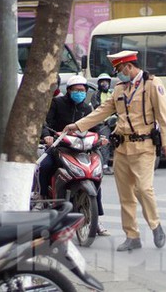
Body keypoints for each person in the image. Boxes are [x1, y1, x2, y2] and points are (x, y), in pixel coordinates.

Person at [64, 50, 166, 252]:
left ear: (129, 66)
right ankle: (132, 236)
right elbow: (102, 111)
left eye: (119, 70)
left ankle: (155, 225)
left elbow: (164, 115)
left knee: (143, 188)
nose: (118, 74)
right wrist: (78, 125)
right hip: (122, 147)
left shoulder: (152, 84)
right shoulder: (120, 88)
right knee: (125, 195)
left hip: (144, 146)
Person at [40, 75, 110, 236]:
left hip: (83, 149)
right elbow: (46, 123)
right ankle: (42, 196)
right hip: (59, 146)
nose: (80, 93)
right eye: (77, 90)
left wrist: (102, 137)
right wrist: (47, 136)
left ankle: (96, 218)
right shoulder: (57, 103)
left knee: (95, 176)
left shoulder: (87, 108)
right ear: (69, 91)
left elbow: (96, 126)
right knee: (45, 166)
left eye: (83, 90)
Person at [91, 73, 114, 175]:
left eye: (106, 82)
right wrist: (106, 119)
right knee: (104, 142)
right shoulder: (96, 94)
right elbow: (98, 108)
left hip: (114, 121)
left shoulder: (112, 93)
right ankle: (104, 165)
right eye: (102, 82)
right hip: (102, 122)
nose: (104, 84)